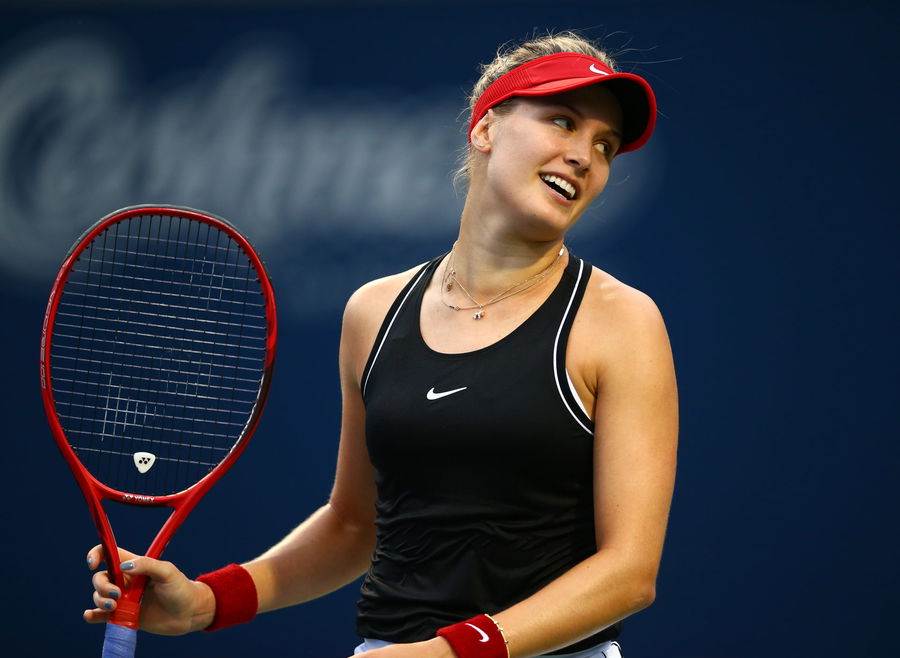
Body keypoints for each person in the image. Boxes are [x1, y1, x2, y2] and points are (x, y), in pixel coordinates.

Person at [84, 31, 678, 658]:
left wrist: (446, 654)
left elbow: (629, 575)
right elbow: (353, 526)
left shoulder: (622, 322)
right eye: (563, 122)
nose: (584, 156)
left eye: (605, 145)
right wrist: (207, 601)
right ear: (485, 129)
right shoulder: (374, 311)